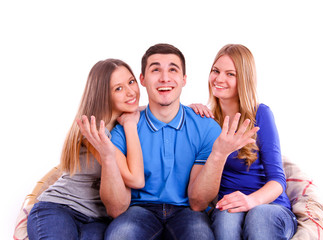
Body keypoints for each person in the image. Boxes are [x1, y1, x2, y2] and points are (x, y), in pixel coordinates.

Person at [80, 43, 258, 240]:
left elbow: (198, 203)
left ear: (183, 80)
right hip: (138, 210)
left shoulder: (207, 128)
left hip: (187, 212)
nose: (165, 78)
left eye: (172, 69)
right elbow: (115, 209)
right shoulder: (123, 128)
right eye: (155, 69)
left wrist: (218, 154)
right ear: (143, 80)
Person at [27, 59, 144, 240]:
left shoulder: (125, 120)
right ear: (103, 95)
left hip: (97, 220)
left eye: (131, 81)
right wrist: (130, 125)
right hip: (61, 208)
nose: (130, 92)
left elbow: (163, 111)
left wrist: (192, 110)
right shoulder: (93, 130)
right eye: (118, 89)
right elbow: (135, 179)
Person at [191, 44, 297, 239]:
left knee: (259, 217)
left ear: (244, 79)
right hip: (229, 205)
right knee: (225, 223)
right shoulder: (204, 120)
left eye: (230, 74)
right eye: (216, 71)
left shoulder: (261, 114)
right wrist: (185, 111)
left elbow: (278, 180)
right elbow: (158, 111)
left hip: (270, 206)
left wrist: (251, 201)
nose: (219, 79)